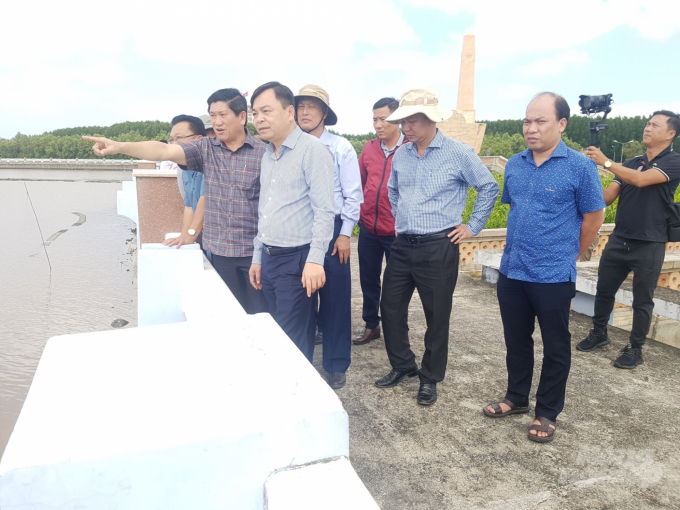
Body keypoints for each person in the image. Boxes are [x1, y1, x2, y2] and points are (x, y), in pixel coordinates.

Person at [483, 92, 605, 443]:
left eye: (540, 121)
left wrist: (569, 254)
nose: (531, 129)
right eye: (527, 121)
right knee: (516, 340)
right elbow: (517, 210)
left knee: (556, 345)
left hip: (553, 275)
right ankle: (516, 397)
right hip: (513, 270)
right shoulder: (517, 164)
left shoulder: (580, 166)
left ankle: (547, 411)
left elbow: (594, 217)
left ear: (562, 124)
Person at [83, 88, 269, 314]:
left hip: (255, 254)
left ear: (241, 117)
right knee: (227, 316)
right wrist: (121, 147)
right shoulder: (205, 149)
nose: (217, 122)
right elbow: (163, 151)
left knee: (262, 316)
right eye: (213, 116)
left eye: (223, 115)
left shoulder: (265, 154)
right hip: (219, 254)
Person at [374, 87, 499, 406]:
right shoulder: (402, 153)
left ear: (431, 120)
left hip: (438, 246)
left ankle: (430, 378)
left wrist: (472, 226)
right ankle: (403, 365)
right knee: (389, 307)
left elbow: (488, 186)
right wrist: (406, 217)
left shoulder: (458, 152)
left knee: (437, 316)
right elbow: (393, 190)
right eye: (403, 122)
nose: (406, 128)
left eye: (412, 121)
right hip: (403, 245)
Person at [578, 110, 680, 368]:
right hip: (620, 238)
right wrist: (589, 172)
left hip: (650, 242)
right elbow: (607, 198)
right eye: (647, 123)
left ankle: (635, 348)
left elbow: (642, 180)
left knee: (642, 299)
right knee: (604, 290)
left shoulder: (674, 162)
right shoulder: (633, 162)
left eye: (654, 125)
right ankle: (599, 334)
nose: (647, 127)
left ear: (671, 134)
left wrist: (606, 162)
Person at [248, 82, 335, 365]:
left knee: (292, 339)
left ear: (289, 112)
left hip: (296, 261)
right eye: (255, 113)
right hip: (270, 260)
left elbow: (324, 210)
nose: (259, 118)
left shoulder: (312, 150)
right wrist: (258, 256)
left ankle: (299, 397)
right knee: (275, 332)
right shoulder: (268, 154)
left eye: (266, 111)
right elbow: (266, 210)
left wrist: (315, 261)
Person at [294, 84, 363, 390]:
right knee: (302, 297)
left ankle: (335, 363)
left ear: (324, 113)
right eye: (300, 106)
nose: (305, 112)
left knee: (335, 297)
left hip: (334, 229)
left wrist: (346, 233)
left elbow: (353, 195)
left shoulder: (341, 148)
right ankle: (300, 360)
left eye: (312, 106)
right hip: (298, 230)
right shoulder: (289, 146)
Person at [354, 97, 406, 346]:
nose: (378, 124)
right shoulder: (369, 148)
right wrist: (359, 216)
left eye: (383, 119)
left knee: (396, 286)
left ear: (397, 119)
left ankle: (396, 331)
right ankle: (371, 325)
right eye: (375, 119)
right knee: (368, 279)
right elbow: (359, 185)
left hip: (396, 232)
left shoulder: (409, 149)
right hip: (369, 228)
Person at [160, 115, 207, 251]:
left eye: (179, 138)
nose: (174, 144)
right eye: (172, 140)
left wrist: (191, 235)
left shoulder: (210, 166)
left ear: (199, 140)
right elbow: (189, 206)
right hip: (201, 237)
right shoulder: (184, 168)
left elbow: (205, 200)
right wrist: (184, 236)